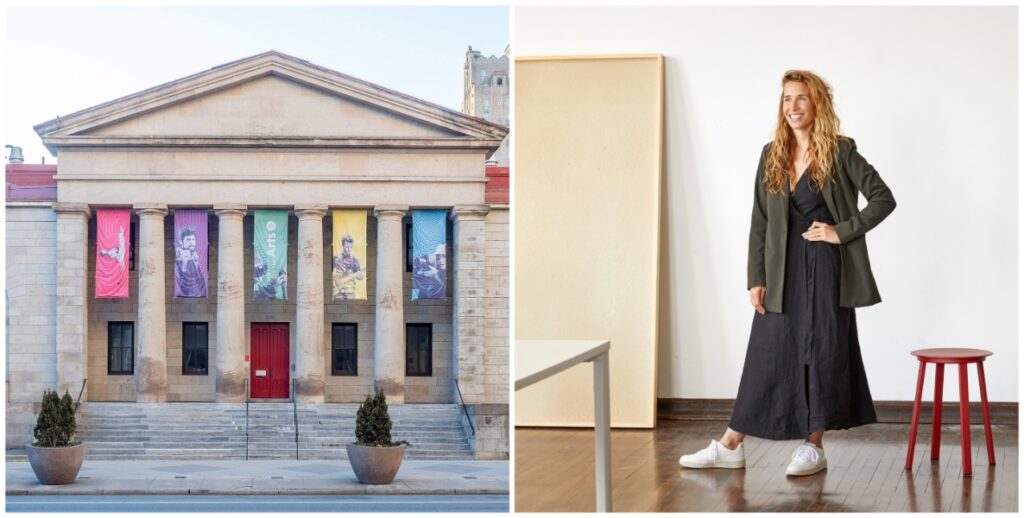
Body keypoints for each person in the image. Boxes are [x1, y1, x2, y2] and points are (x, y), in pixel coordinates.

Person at [678, 70, 896, 477]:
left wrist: (840, 232)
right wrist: (755, 277)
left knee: (823, 350)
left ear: (817, 105)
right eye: (786, 99)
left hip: (828, 269)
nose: (793, 107)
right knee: (768, 353)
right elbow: (759, 221)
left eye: (801, 99)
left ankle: (813, 445)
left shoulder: (841, 150)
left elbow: (883, 198)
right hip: (781, 271)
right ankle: (730, 444)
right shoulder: (771, 153)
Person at [174, 227, 207, 297]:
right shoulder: (177, 258)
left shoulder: (195, 256)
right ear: (181, 242)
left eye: (193, 239)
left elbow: (202, 286)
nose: (192, 243)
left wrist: (197, 264)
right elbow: (183, 289)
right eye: (188, 240)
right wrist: (184, 264)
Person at [332, 234, 365, 300]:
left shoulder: (355, 260)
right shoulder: (335, 258)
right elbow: (330, 274)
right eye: (347, 247)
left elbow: (361, 277)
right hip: (338, 291)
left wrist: (357, 275)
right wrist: (334, 284)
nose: (348, 249)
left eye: (350, 247)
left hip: (350, 291)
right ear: (343, 245)